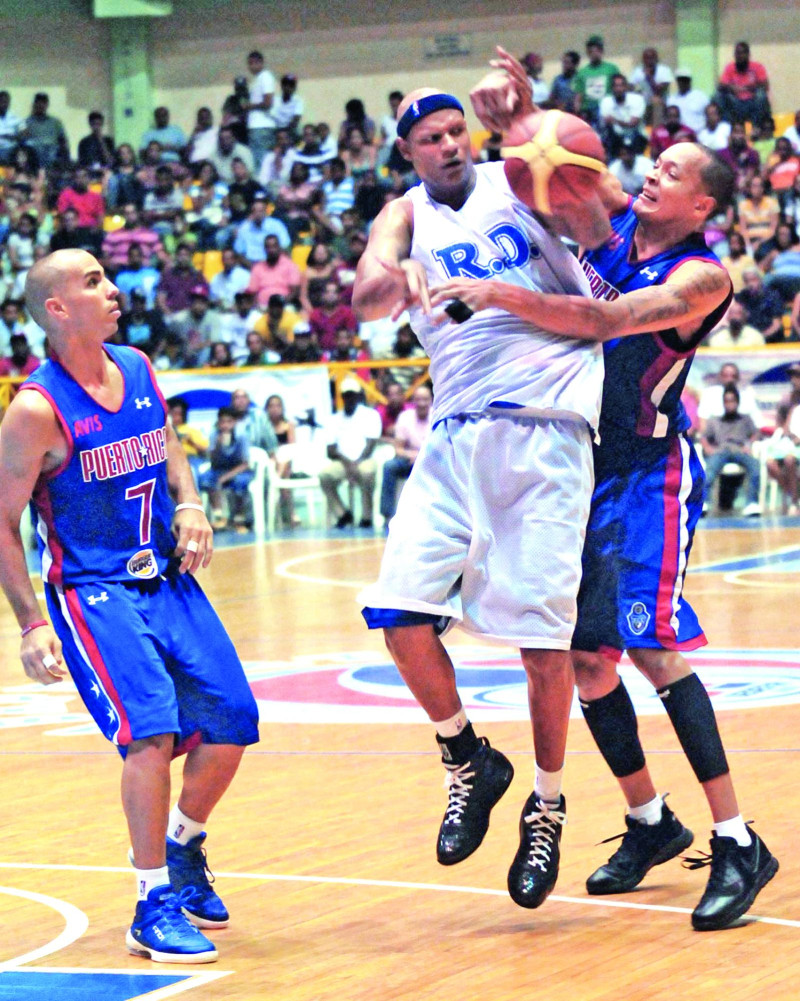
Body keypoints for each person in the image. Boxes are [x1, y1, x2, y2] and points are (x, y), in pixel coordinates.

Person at [432, 50, 777, 930]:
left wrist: (499, 294)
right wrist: (519, 113)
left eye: (671, 172)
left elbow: (604, 318)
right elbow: (562, 165)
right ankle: (649, 820)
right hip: (581, 466)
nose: (651, 175)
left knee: (654, 649)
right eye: (652, 165)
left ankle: (738, 839)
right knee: (586, 658)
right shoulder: (617, 223)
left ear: (703, 203)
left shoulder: (702, 275)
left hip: (652, 474)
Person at [353, 52, 612, 912]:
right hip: (457, 434)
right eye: (431, 137)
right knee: (396, 615)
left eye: (457, 129)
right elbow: (362, 297)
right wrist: (398, 275)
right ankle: (468, 756)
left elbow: (595, 217)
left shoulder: (520, 176)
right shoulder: (403, 212)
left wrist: (524, 120)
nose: (450, 144)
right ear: (409, 153)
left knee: (545, 647)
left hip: (543, 428)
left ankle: (546, 803)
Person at [0, 249, 259, 962]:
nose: (112, 289)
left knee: (233, 721)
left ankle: (182, 845)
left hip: (167, 577)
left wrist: (193, 500)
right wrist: (29, 622)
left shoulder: (139, 366)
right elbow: (3, 518)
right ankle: (151, 902)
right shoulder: (34, 409)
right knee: (149, 732)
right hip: (95, 592)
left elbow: (168, 443)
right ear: (57, 309)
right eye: (91, 283)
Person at [319, 377, 381, 529]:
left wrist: (356, 462)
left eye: (352, 394)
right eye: (346, 395)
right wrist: (348, 464)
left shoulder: (370, 415)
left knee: (367, 472)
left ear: (359, 396)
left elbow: (371, 444)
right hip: (342, 462)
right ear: (342, 397)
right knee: (324, 475)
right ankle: (342, 514)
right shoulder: (333, 419)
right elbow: (331, 450)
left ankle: (367, 517)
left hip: (364, 459)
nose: (349, 398)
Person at [701, 384, 762, 515]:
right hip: (721, 450)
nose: (730, 404)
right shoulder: (715, 420)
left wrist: (749, 444)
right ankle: (704, 503)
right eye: (727, 401)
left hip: (740, 450)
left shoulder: (745, 419)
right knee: (710, 470)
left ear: (738, 402)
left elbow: (756, 433)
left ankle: (752, 503)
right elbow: (704, 437)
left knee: (755, 466)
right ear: (723, 403)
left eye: (732, 400)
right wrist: (708, 448)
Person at [379, 383, 432, 524]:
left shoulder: (437, 416)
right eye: (418, 399)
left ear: (431, 401)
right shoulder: (404, 417)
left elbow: (442, 448)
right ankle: (387, 515)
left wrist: (421, 457)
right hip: (408, 460)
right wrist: (411, 455)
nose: (422, 403)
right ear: (413, 401)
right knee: (389, 466)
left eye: (425, 399)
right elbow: (398, 448)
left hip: (430, 461)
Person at [199, 405, 255, 530]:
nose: (225, 425)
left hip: (239, 469)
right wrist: (218, 446)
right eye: (222, 422)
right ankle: (219, 516)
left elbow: (245, 463)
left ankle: (239, 518)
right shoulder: (214, 435)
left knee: (240, 482)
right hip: (220, 468)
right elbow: (213, 462)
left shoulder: (241, 436)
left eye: (229, 421)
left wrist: (226, 477)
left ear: (234, 422)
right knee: (206, 478)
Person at [716, 41, 771, 129]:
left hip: (752, 103)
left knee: (761, 95)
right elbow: (721, 85)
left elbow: (765, 85)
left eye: (742, 53)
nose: (740, 56)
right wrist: (731, 87)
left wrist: (746, 88)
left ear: (748, 54)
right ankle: (725, 127)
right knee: (718, 96)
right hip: (736, 102)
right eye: (737, 53)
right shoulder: (730, 67)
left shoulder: (757, 67)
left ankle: (756, 127)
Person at [245, 50, 276, 170]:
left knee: (262, 163)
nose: (251, 66)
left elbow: (268, 102)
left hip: (261, 127)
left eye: (253, 63)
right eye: (249, 63)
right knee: (259, 162)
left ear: (261, 63)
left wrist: (250, 106)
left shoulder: (265, 77)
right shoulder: (257, 79)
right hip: (257, 126)